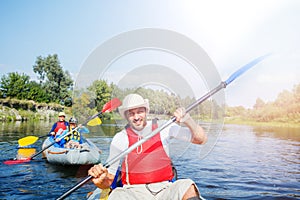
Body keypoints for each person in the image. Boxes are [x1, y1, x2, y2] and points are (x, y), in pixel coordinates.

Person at [88, 94, 207, 200]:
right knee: (116, 195)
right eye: (131, 113)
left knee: (187, 185)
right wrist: (101, 181)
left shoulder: (164, 127)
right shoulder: (120, 138)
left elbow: (201, 139)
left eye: (140, 111)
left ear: (146, 111)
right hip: (132, 192)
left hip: (164, 189)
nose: (136, 117)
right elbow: (108, 180)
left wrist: (188, 120)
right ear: (125, 116)